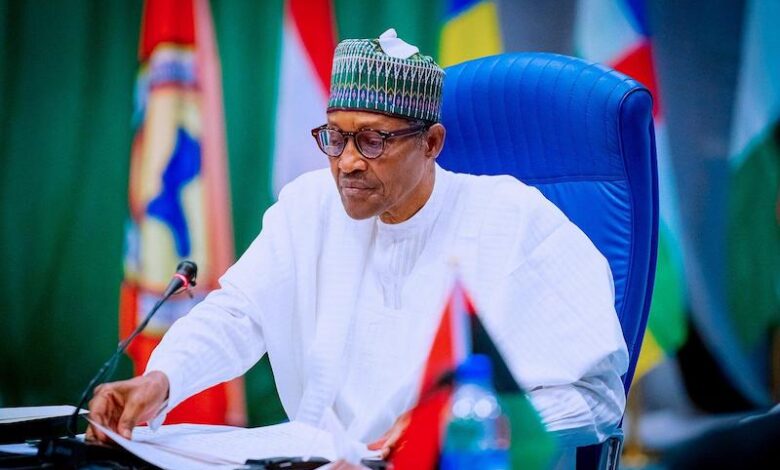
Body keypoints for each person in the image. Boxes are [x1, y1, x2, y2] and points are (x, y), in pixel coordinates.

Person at [88, 29, 629, 457]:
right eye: (335, 137)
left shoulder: (513, 219)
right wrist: (163, 379)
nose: (346, 162)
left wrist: (452, 426)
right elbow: (239, 315)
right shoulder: (308, 206)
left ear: (432, 142)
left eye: (372, 140)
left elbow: (595, 400)